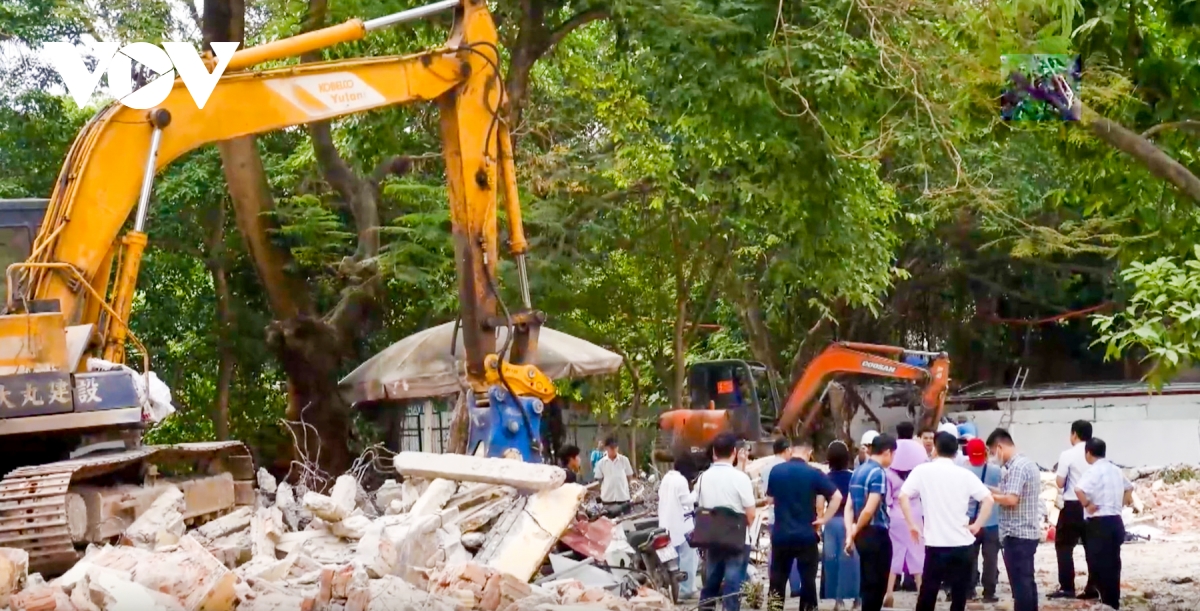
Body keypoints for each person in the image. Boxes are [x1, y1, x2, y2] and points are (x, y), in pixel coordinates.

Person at [897, 432, 994, 611]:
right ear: (956, 453)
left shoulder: (922, 471)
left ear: (935, 449)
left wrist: (912, 524)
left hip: (936, 544)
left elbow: (903, 496)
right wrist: (977, 524)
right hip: (963, 543)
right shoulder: (965, 474)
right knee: (959, 597)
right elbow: (988, 499)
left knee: (928, 595)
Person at [765, 438, 842, 611]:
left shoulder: (776, 471)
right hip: (806, 534)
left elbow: (770, 499)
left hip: (781, 533)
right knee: (808, 580)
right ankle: (808, 608)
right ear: (809, 453)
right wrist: (824, 519)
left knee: (777, 579)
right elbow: (837, 496)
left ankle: (774, 608)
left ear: (791, 450)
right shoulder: (813, 473)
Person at [697, 432, 757, 611]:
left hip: (712, 539)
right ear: (734, 452)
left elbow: (701, 508)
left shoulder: (702, 478)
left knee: (711, 583)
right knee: (732, 584)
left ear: (714, 452)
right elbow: (751, 513)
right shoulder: (740, 478)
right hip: (737, 540)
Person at [1074, 438, 1133, 610]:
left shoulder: (1093, 471)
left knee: (1098, 563)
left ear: (1088, 453)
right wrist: (1121, 502)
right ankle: (1112, 600)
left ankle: (1105, 601)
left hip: (1099, 522)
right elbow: (1129, 487)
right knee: (1114, 562)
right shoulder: (1116, 470)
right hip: (1116, 521)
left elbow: (1078, 489)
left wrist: (1087, 505)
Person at [986, 428, 1041, 611]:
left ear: (1000, 447)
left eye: (993, 453)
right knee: (1026, 580)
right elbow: (1008, 493)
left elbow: (1011, 499)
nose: (994, 457)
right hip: (1026, 532)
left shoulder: (1017, 467)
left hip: (1018, 533)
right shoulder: (1027, 463)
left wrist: (990, 498)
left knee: (1020, 585)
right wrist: (987, 489)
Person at [845, 433, 896, 611]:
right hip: (875, 532)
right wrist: (855, 530)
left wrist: (850, 534)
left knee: (867, 582)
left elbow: (849, 506)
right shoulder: (878, 473)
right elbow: (869, 509)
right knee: (877, 585)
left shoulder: (858, 471)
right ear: (888, 452)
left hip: (862, 535)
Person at [1050, 420, 1097, 600]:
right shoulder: (1096, 454)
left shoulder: (1067, 454)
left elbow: (1060, 482)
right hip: (1092, 506)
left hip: (1072, 504)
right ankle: (1093, 587)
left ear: (1074, 434)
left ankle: (1067, 587)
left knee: (1063, 546)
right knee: (1091, 547)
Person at [884, 434, 927, 606]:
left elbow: (886, 500)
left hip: (895, 515)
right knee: (917, 553)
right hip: (916, 514)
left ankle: (888, 593)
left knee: (895, 553)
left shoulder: (888, 473)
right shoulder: (919, 472)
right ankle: (921, 591)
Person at [820, 441, 860, 611]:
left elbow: (820, 503)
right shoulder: (854, 476)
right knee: (852, 560)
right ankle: (857, 598)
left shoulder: (825, 478)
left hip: (831, 521)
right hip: (849, 521)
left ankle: (838, 599)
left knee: (832, 560)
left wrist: (821, 520)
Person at [761, 437, 800, 597]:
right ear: (786, 450)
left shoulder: (765, 468)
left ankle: (775, 586)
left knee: (775, 552)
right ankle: (796, 586)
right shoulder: (789, 468)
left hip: (773, 515)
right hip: (790, 515)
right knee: (795, 552)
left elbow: (767, 495)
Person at [963, 438, 1001, 603]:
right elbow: (1003, 490)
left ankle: (969, 589)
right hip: (992, 520)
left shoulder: (963, 471)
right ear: (985, 453)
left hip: (970, 519)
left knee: (970, 557)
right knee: (991, 558)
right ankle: (989, 592)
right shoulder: (996, 470)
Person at [658, 453, 699, 600]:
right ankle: (686, 589)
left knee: (671, 562)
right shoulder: (681, 480)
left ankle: (672, 590)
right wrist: (696, 492)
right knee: (688, 559)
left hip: (665, 526)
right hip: (681, 527)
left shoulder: (666, 478)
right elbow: (687, 502)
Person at [595, 437, 634, 515]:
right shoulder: (601, 463)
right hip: (608, 499)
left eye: (615, 447)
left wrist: (624, 486)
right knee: (608, 523)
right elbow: (599, 480)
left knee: (626, 523)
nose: (614, 450)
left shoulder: (624, 460)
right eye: (611, 448)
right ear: (606, 448)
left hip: (623, 498)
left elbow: (629, 476)